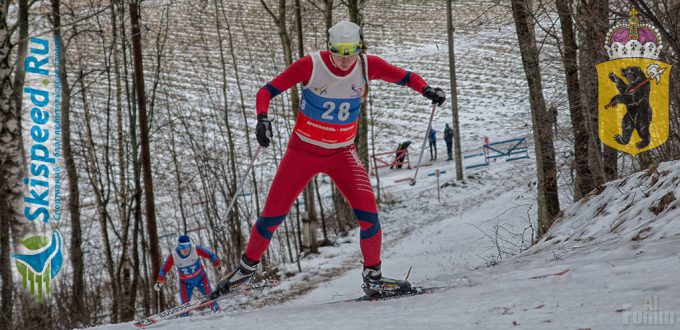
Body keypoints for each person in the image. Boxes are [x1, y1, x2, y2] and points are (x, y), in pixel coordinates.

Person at [215, 20, 446, 298]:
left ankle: (373, 278)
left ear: (359, 49)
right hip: (303, 152)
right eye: (339, 54)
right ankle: (244, 272)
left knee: (370, 217)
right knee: (271, 217)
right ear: (329, 48)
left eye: (352, 54)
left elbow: (406, 76)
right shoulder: (311, 65)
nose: (346, 61)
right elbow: (266, 91)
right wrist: (262, 119)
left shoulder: (366, 65)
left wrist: (426, 89)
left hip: (342, 153)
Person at [155, 235, 222, 313]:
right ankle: (184, 320)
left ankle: (217, 312)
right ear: (179, 247)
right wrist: (159, 280)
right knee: (185, 306)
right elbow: (164, 269)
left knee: (210, 297)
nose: (185, 251)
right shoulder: (174, 255)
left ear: (189, 246)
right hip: (185, 283)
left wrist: (217, 264)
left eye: (186, 248)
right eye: (182, 249)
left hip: (201, 279)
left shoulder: (195, 249)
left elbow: (211, 255)